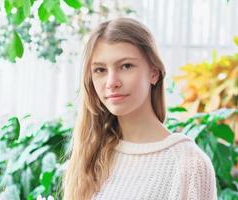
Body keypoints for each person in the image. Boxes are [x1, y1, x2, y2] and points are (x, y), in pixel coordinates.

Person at [62, 17, 217, 200]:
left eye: (126, 66)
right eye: (100, 70)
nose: (112, 83)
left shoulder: (188, 164)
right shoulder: (91, 155)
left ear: (154, 73)